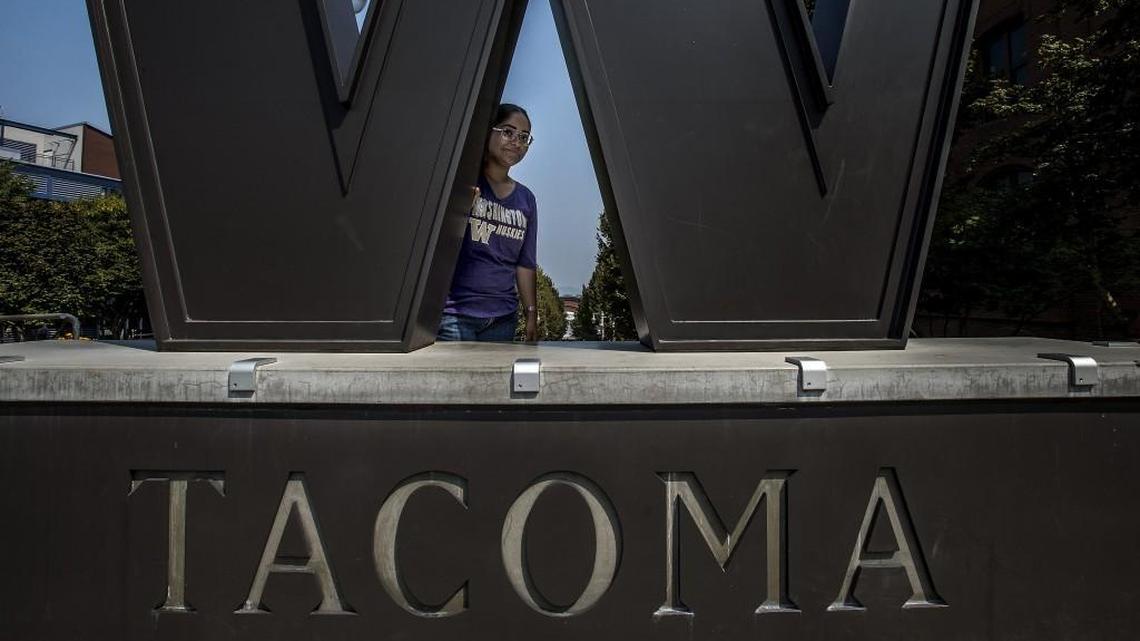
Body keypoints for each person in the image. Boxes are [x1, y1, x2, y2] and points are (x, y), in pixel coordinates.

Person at [438, 104, 539, 342]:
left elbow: (525, 263)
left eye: (524, 137)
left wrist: (531, 314)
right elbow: (437, 246)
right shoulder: (463, 184)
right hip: (455, 317)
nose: (516, 141)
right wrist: (459, 210)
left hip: (503, 320)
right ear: (488, 132)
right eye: (508, 131)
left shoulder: (526, 199)